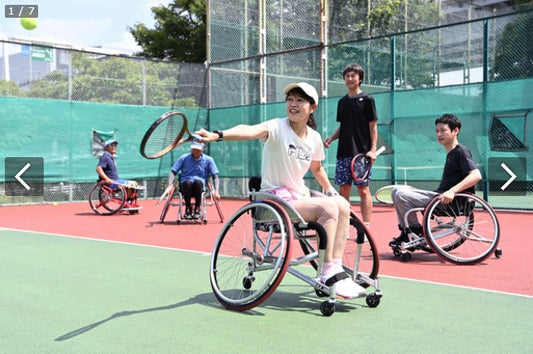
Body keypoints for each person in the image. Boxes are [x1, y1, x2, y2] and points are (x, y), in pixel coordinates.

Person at [195, 82, 366, 299]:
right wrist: (218, 135)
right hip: (274, 198)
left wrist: (331, 190)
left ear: (312, 107)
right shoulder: (276, 127)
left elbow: (317, 168)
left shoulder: (314, 138)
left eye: (299, 100)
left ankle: (337, 269)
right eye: (290, 99)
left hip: (298, 196)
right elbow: (249, 130)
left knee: (341, 203)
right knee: (329, 209)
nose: (293, 104)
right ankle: (326, 273)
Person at [389, 113, 482, 246]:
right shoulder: (451, 153)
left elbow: (476, 175)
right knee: (396, 189)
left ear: (456, 131)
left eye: (443, 130)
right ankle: (406, 232)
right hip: (439, 197)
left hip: (451, 202)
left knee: (401, 195)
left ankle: (415, 232)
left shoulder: (461, 151)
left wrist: (452, 191)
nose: (439, 134)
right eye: (437, 131)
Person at [323, 63, 379, 227]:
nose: (350, 78)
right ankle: (344, 226)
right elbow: (344, 126)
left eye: (353, 76)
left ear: (360, 79)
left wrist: (373, 150)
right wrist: (332, 138)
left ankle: (366, 226)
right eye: (347, 76)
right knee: (343, 191)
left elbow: (373, 126)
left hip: (361, 155)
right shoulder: (342, 102)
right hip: (343, 153)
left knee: (363, 190)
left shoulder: (368, 100)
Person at [165, 139, 220, 220]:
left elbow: (215, 176)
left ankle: (197, 208)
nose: (196, 151)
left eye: (198, 149)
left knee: (198, 182)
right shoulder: (184, 158)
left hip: (200, 187)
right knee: (188, 183)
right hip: (185, 186)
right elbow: (173, 172)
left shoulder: (209, 160)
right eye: (194, 148)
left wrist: (216, 191)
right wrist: (169, 186)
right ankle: (188, 208)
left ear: (203, 148)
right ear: (191, 148)